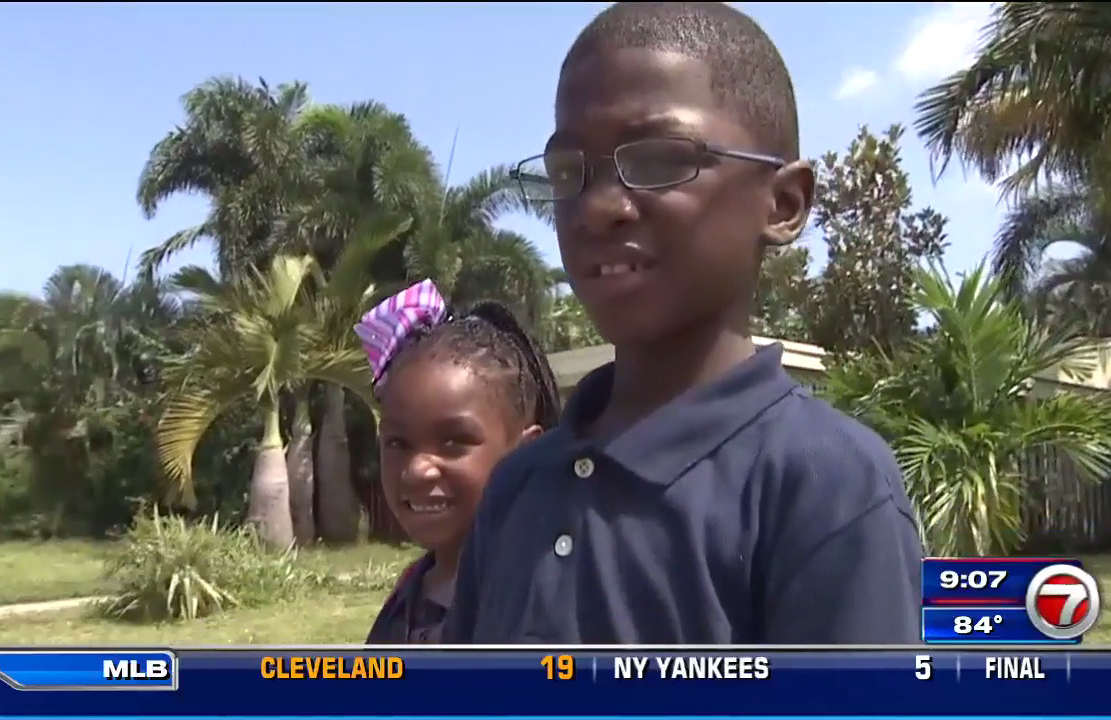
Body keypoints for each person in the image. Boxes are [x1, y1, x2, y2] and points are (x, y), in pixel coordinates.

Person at [442, 2, 922, 644]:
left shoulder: (824, 483)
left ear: (783, 203)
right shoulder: (518, 486)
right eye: (567, 173)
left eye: (660, 161)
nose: (597, 208)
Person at [356, 279, 560, 644]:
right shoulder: (408, 596)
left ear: (527, 454)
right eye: (397, 442)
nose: (417, 469)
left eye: (453, 442)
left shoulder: (545, 605)